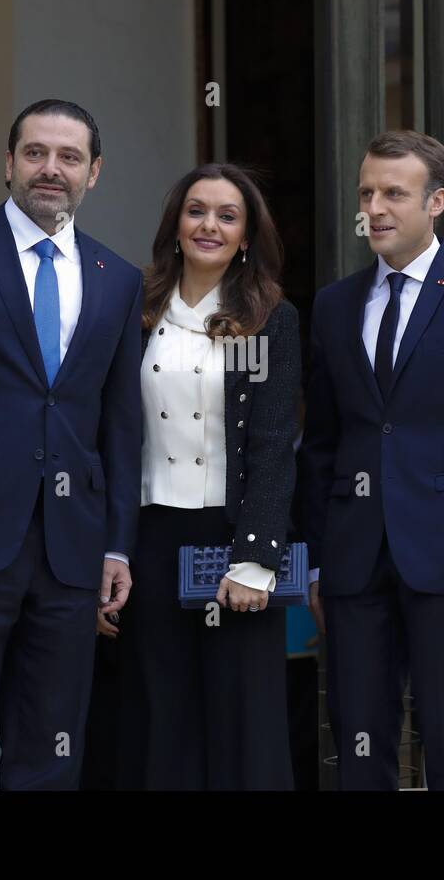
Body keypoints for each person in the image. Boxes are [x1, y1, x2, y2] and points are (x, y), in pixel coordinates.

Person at [0, 99, 142, 790]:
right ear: (8, 162)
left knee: (51, 744)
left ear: (93, 172)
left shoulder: (118, 279)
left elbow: (120, 422)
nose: (51, 169)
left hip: (70, 549)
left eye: (69, 157)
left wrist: (117, 542)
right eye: (35, 152)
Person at [298, 130, 444, 790]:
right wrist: (317, 559)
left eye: (393, 194)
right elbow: (321, 442)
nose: (375, 207)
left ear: (437, 201)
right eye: (367, 193)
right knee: (357, 737)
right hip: (352, 558)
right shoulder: (333, 304)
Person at [106, 163, 300, 789]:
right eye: (196, 211)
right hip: (150, 540)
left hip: (234, 540)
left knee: (243, 722)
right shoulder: (133, 307)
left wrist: (254, 559)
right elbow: (105, 432)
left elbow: (273, 443)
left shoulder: (269, 316)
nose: (208, 225)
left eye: (226, 215)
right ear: (176, 223)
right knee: (160, 718)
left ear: (246, 236)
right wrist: (107, 549)